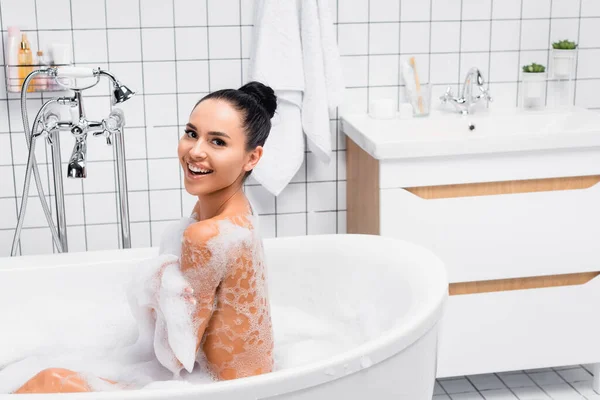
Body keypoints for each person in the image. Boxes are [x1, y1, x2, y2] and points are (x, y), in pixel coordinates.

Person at [13, 81, 278, 394]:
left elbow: (177, 355)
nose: (195, 151)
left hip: (234, 392)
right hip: (242, 378)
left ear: (252, 158)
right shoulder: (231, 211)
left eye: (217, 142)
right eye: (192, 133)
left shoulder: (207, 235)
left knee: (48, 381)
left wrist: (159, 282)